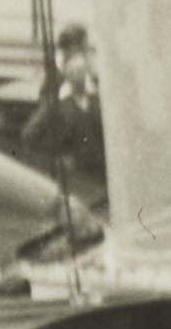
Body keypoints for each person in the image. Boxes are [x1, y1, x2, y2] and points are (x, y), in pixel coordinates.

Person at [20, 24, 108, 201]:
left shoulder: (89, 75)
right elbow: (42, 121)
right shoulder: (59, 78)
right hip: (78, 158)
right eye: (84, 46)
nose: (88, 50)